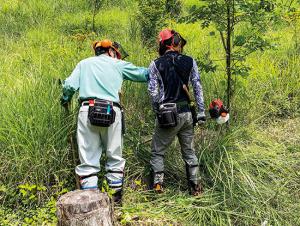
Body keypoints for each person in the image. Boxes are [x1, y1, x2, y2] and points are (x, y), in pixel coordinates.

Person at [60, 39, 148, 203]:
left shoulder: (83, 64)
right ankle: (115, 202)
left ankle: (90, 203)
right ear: (111, 51)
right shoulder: (118, 64)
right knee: (114, 157)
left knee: (88, 161)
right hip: (111, 111)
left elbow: (69, 86)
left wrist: (64, 99)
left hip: (87, 109)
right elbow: (144, 74)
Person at [148, 29, 206, 195]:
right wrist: (201, 111)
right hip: (187, 113)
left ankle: (158, 186)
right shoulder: (190, 61)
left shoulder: (155, 64)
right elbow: (197, 86)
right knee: (189, 151)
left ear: (163, 44)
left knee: (158, 151)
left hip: (168, 114)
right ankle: (195, 187)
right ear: (175, 42)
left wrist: (157, 110)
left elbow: (153, 93)